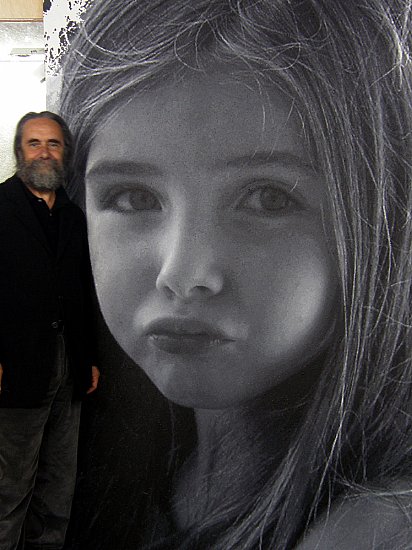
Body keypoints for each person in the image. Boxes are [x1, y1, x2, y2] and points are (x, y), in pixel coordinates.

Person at [59, 0, 412, 548]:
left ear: (383, 219)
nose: (182, 274)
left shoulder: (377, 529)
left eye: (268, 199)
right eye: (133, 197)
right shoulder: (98, 460)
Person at [0, 111, 100, 550]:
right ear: (19, 151)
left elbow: (80, 292)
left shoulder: (74, 218)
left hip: (69, 371)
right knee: (8, 490)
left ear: (65, 154)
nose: (44, 152)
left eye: (53, 144)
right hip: (15, 370)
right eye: (34, 143)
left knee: (57, 489)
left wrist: (88, 357)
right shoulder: (1, 209)